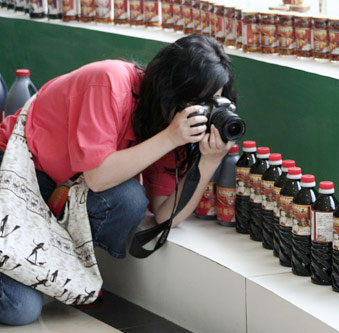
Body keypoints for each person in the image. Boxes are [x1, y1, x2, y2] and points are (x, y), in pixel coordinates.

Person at [0, 34, 235, 326]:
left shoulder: (166, 122)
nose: (201, 111)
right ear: (171, 89)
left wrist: (210, 162)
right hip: (18, 171)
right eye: (197, 100)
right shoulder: (111, 80)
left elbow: (165, 214)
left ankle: (39, 262)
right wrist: (171, 137)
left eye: (212, 101)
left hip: (60, 191)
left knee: (128, 201)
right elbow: (97, 177)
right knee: (19, 308)